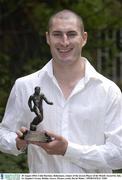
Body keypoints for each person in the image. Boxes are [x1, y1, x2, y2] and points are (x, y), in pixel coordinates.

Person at [0, 9, 122, 173]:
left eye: (71, 34)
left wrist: (67, 150)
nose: (64, 42)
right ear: (48, 38)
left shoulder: (108, 91)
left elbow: (118, 155)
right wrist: (18, 142)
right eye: (57, 34)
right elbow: (4, 134)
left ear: (83, 38)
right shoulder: (25, 86)